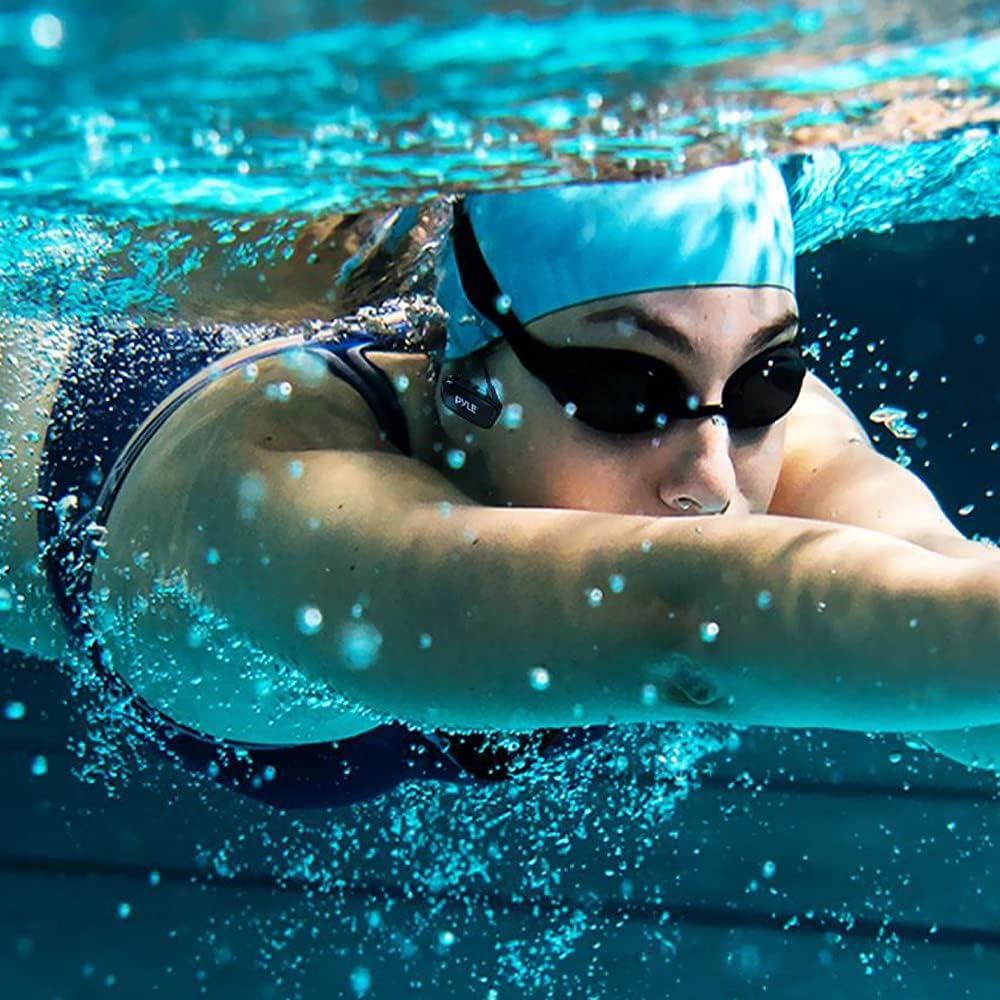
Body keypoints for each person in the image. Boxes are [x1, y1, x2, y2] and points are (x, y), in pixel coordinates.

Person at [2, 158, 1000, 810]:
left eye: (763, 377)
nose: (709, 482)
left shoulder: (732, 418)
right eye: (625, 388)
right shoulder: (277, 493)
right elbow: (688, 615)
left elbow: (944, 601)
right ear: (470, 386)